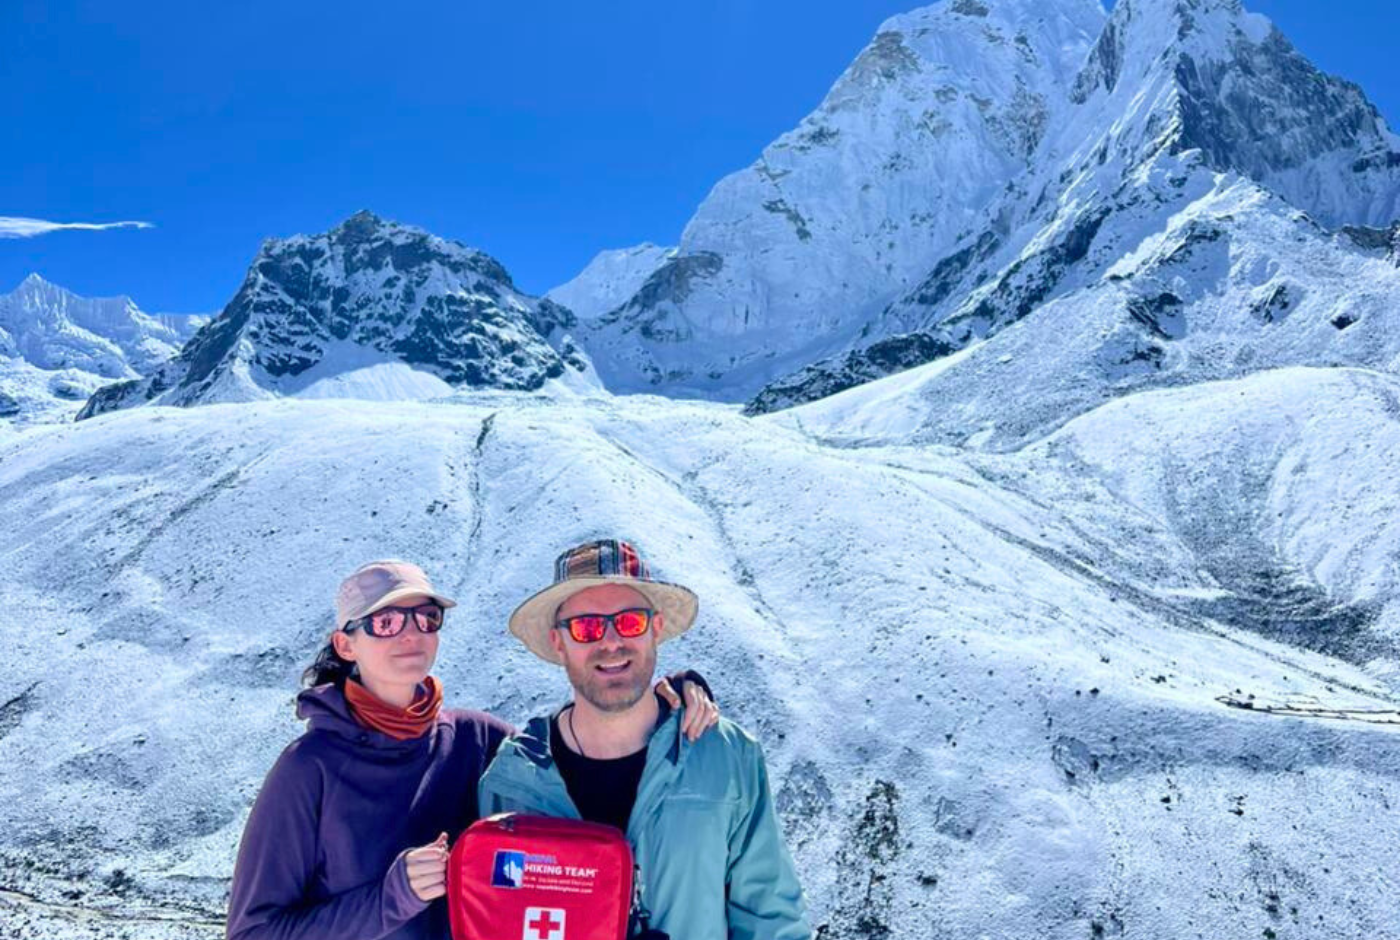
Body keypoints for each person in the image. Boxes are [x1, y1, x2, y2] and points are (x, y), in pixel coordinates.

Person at [226, 559, 718, 940]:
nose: (411, 632)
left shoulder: (474, 742)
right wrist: (391, 897)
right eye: (385, 622)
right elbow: (254, 931)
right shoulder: (309, 770)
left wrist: (659, 698)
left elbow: (583, 756)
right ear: (346, 644)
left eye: (425, 617)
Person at [478, 539, 811, 940]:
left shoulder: (726, 757)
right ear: (558, 642)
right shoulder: (513, 782)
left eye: (630, 622)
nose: (610, 642)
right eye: (586, 627)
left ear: (654, 629)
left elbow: (770, 920)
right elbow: (498, 922)